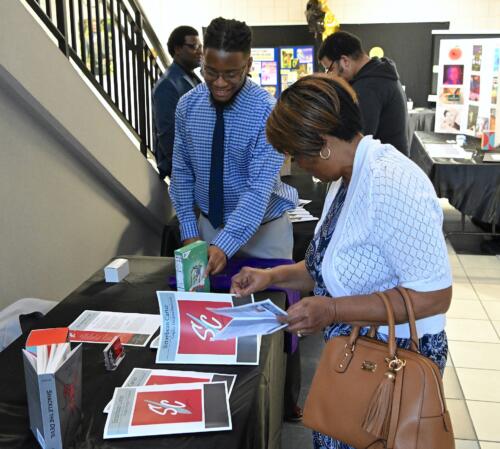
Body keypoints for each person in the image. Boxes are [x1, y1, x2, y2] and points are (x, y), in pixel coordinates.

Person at [231, 75, 452, 449]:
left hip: (391, 366)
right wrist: (270, 277)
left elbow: (433, 296)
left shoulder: (392, 183)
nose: (297, 164)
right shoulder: (346, 178)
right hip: (353, 356)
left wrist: (332, 310)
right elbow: (327, 267)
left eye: (297, 155)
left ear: (323, 144)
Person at [170, 17, 298, 276]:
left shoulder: (267, 112)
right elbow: (182, 174)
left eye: (231, 74)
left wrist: (226, 244)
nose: (219, 83)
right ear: (203, 61)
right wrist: (189, 231)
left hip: (265, 234)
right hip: (208, 229)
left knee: (268, 309)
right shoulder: (187, 106)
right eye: (210, 71)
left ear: (248, 64)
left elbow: (258, 189)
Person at [318, 31, 409, 156]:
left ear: (345, 61)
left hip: (385, 169)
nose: (330, 76)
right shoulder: (380, 75)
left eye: (330, 69)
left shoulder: (368, 87)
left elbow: (356, 142)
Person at [152, 26, 202, 179]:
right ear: (178, 49)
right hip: (187, 173)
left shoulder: (193, 78)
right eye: (193, 46)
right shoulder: (168, 85)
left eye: (200, 46)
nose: (199, 51)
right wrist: (185, 173)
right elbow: (168, 134)